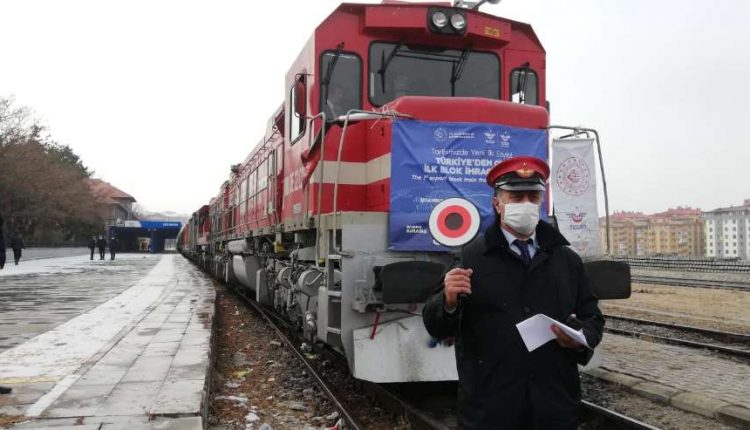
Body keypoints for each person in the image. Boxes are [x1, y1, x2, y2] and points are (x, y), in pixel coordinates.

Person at [423, 155, 604, 430]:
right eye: (516, 197)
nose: (526, 204)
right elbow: (435, 324)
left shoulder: (566, 259)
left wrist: (579, 339)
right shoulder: (471, 256)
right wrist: (447, 301)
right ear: (497, 204)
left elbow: (593, 318)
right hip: (491, 408)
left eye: (533, 197)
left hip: (553, 406)